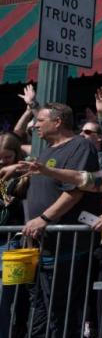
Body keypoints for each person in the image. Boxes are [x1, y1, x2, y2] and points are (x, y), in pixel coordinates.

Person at [23, 102, 102, 338]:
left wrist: (44, 218)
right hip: (44, 246)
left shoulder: (81, 145)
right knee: (41, 312)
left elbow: (75, 190)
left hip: (69, 248)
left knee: (65, 313)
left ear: (57, 122)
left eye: (40, 120)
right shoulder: (47, 150)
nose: (36, 125)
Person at [0, 133, 29, 338]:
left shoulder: (25, 176)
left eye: (7, 158)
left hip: (12, 245)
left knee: (4, 300)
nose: (2, 162)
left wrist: (15, 203)